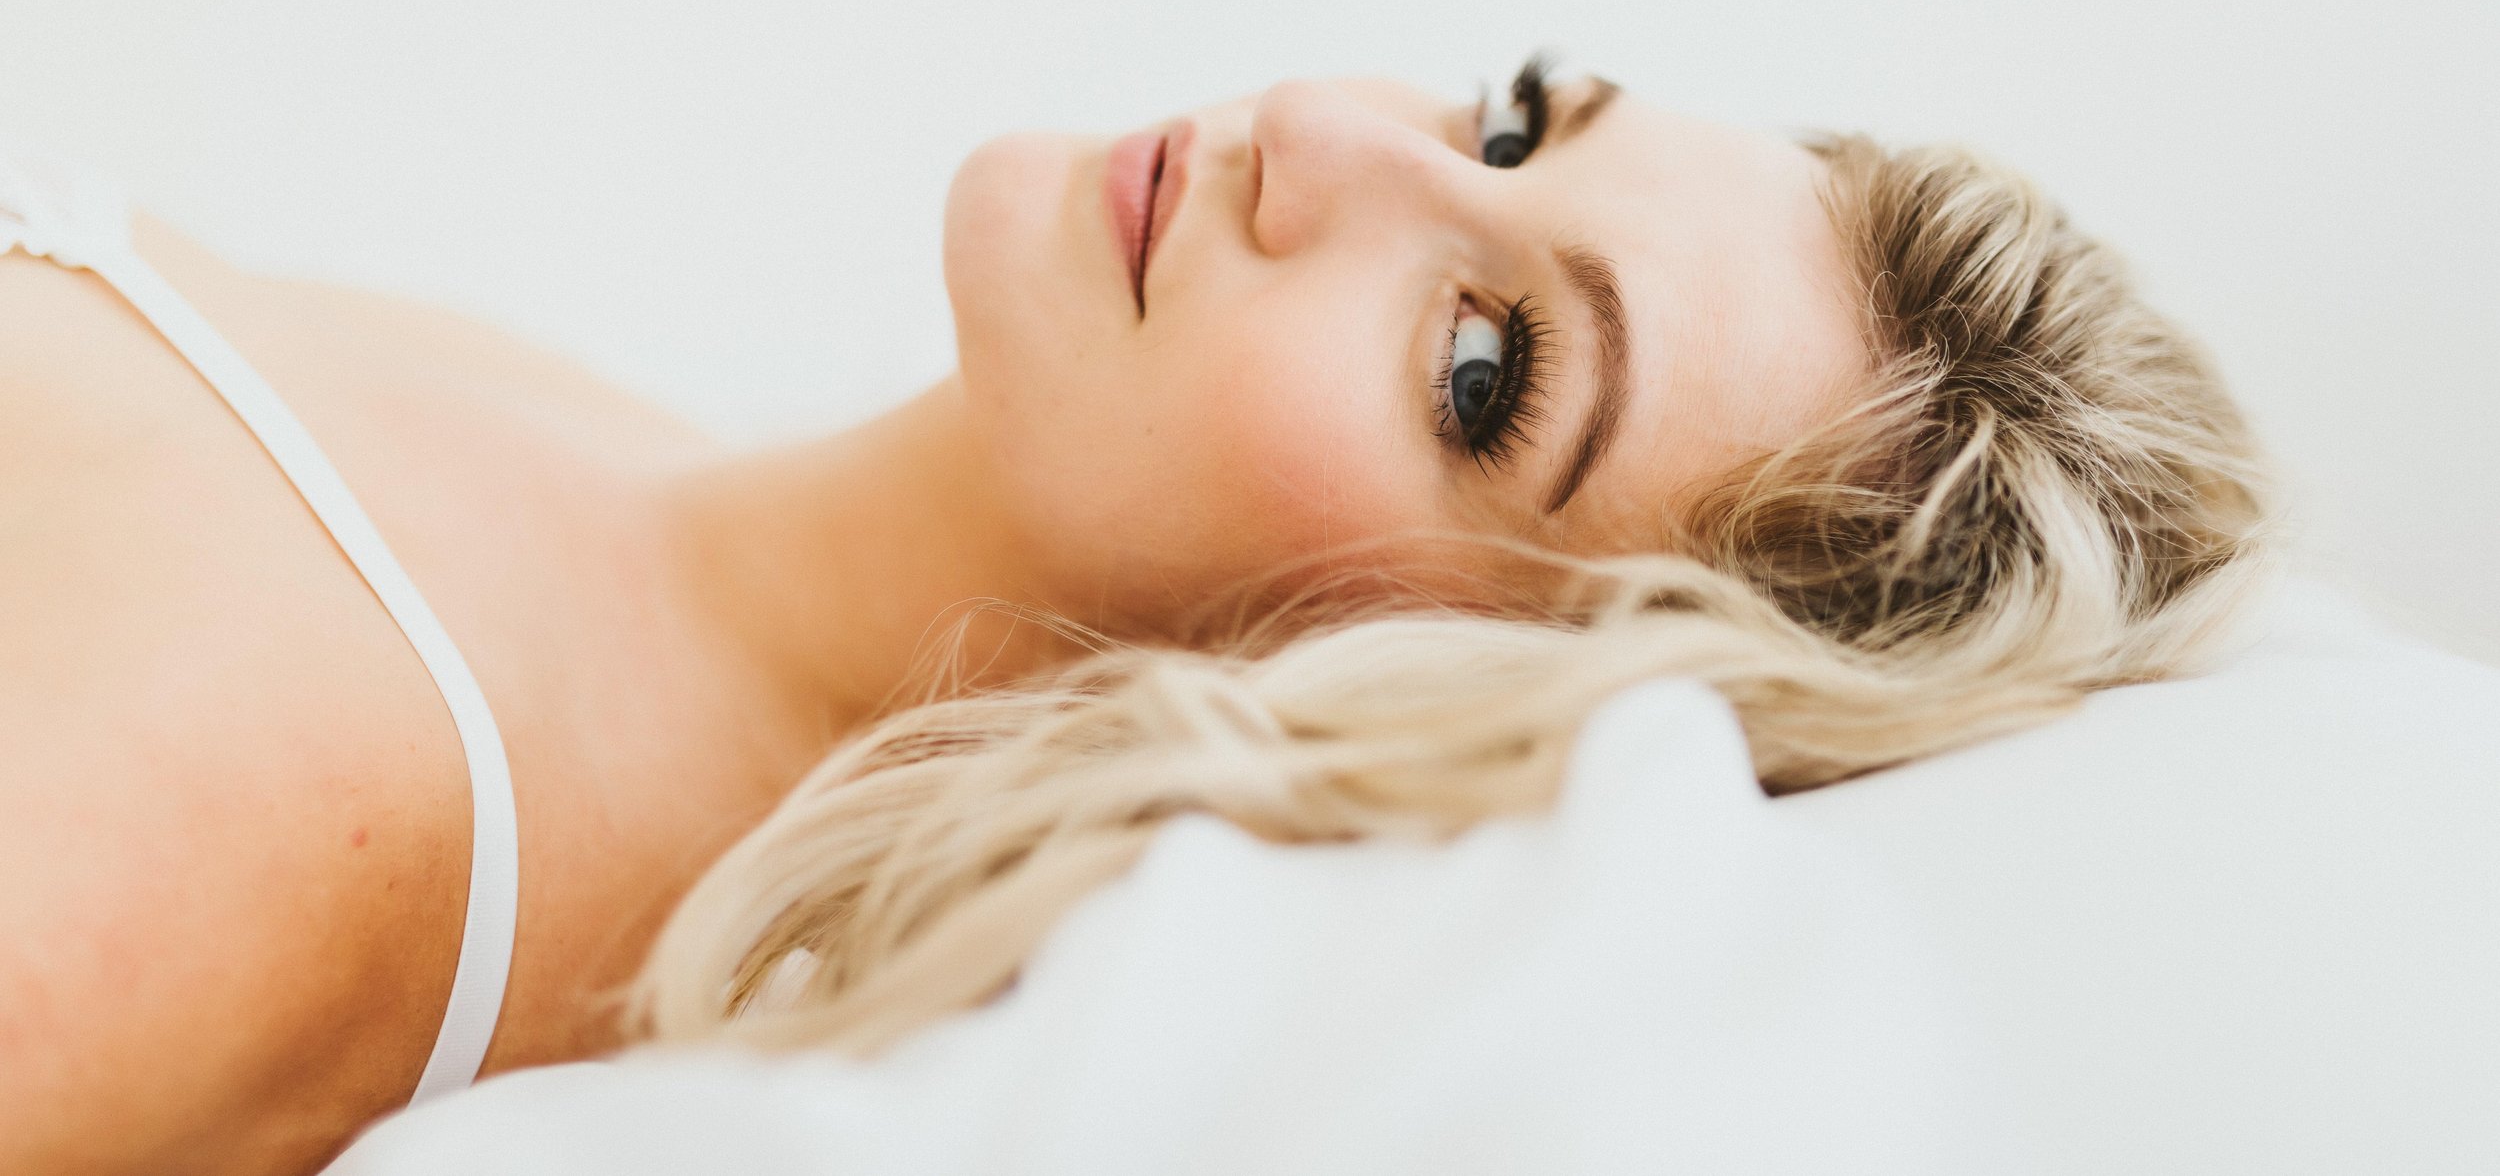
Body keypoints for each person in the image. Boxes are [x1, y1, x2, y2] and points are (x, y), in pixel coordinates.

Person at [0, 64, 2268, 1174]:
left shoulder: (302, 810)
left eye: (1481, 369)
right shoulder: (623, 458)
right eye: (1505, 119)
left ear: (1419, 682)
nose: (1331, 146)